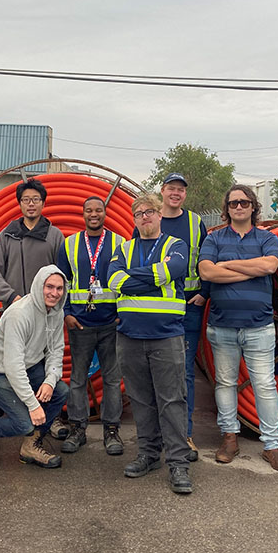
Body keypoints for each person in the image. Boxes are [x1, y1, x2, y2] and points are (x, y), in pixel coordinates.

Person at [198, 185, 278, 472]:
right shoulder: (214, 238)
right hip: (222, 326)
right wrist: (248, 267)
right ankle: (229, 437)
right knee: (225, 384)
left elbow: (270, 266)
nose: (239, 207)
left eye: (244, 202)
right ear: (226, 208)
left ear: (253, 207)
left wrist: (228, 265)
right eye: (234, 203)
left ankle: (271, 446)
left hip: (259, 327)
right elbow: (206, 272)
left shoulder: (266, 237)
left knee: (265, 385)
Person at [109, 194, 193, 494]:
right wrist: (152, 276)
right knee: (142, 401)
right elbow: (114, 281)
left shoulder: (176, 246)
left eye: (150, 212)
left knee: (172, 401)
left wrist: (132, 276)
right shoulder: (124, 248)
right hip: (130, 337)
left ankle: (178, 463)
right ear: (134, 219)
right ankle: (148, 454)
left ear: (160, 215)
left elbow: (172, 271)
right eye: (139, 213)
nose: (145, 217)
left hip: (166, 336)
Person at [0, 177, 67, 439]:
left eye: (36, 200)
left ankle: (42, 417)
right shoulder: (8, 235)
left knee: (36, 363)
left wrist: (55, 304)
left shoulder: (54, 236)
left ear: (43, 203)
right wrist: (11, 297)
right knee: (10, 360)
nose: (31, 204)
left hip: (44, 314)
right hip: (16, 310)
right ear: (19, 204)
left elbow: (62, 275)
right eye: (26, 200)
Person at [0, 265, 70, 469]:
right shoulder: (20, 314)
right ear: (39, 286)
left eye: (59, 289)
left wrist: (50, 382)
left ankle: (31, 444)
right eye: (49, 287)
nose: (54, 293)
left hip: (28, 365)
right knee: (24, 422)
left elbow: (56, 350)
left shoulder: (56, 312)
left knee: (60, 391)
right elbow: (13, 366)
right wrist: (33, 405)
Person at [136, 173, 208, 461]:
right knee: (149, 375)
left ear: (184, 195)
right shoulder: (148, 219)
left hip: (188, 305)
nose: (176, 194)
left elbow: (206, 259)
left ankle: (184, 435)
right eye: (171, 189)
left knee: (183, 374)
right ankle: (155, 439)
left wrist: (205, 291)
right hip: (152, 307)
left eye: (181, 190)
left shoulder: (194, 223)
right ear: (162, 192)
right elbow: (134, 261)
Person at [55, 196, 126, 456]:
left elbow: (126, 280)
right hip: (80, 325)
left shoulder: (120, 243)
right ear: (82, 214)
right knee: (77, 378)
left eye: (98, 209)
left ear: (105, 213)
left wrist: (122, 315)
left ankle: (111, 430)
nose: (94, 214)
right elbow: (62, 281)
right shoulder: (70, 244)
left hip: (111, 324)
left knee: (111, 379)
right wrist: (66, 313)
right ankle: (77, 429)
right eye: (89, 210)